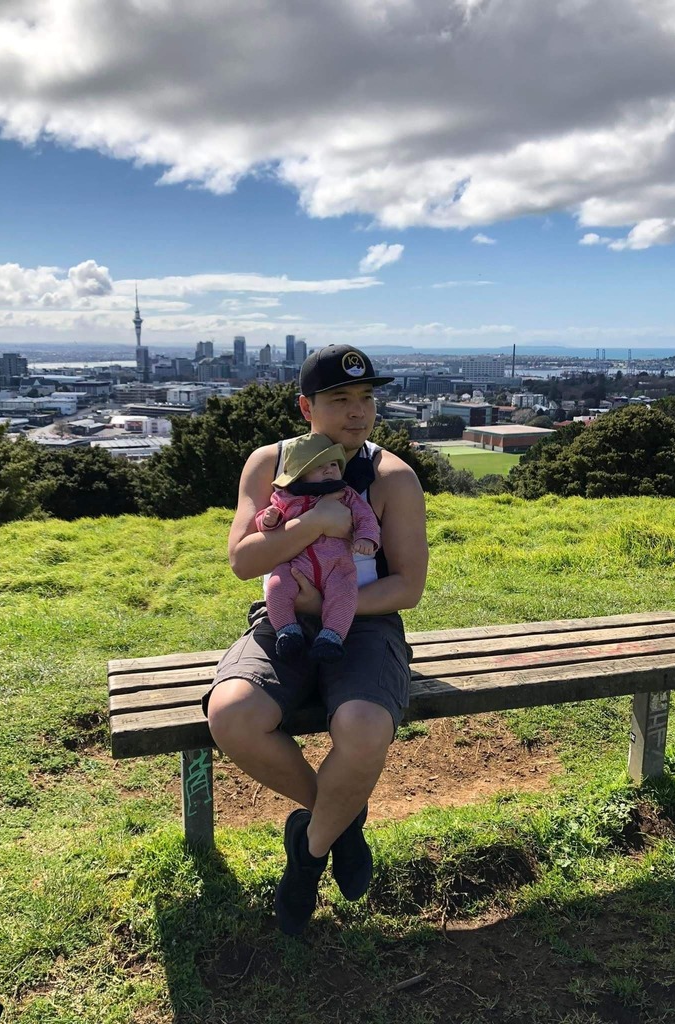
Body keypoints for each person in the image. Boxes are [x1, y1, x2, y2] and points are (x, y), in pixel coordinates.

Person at [204, 343, 428, 935]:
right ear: (306, 408)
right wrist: (313, 524)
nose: (358, 412)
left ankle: (308, 854)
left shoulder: (391, 477)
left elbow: (407, 587)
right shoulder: (268, 463)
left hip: (366, 623)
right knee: (232, 714)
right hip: (283, 622)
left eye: (366, 398)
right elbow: (243, 560)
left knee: (364, 727)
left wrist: (329, 606)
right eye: (339, 399)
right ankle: (341, 818)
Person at [255, 432, 381, 663]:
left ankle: (331, 638)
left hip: (337, 566)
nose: (329, 470)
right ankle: (287, 632)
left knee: (345, 595)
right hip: (295, 565)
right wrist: (268, 519)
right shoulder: (284, 498)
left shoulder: (346, 495)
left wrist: (366, 538)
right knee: (276, 586)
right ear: (300, 474)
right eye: (319, 466)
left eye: (333, 464)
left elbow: (366, 517)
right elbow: (265, 523)